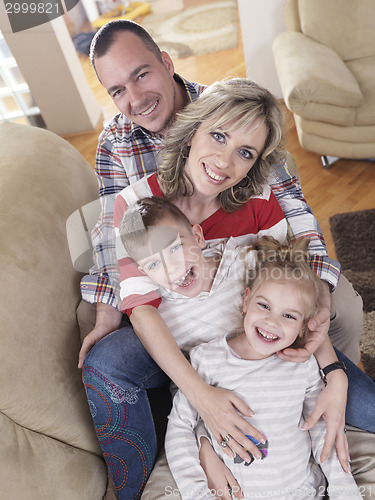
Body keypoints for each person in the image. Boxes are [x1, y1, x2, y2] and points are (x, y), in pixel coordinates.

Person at [78, 19, 363, 498]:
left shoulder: (235, 117)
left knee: (344, 315)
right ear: (190, 137)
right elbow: (117, 243)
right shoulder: (122, 163)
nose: (136, 97)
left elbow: (291, 223)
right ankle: (130, 485)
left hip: (260, 311)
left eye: (142, 75)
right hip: (187, 316)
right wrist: (112, 312)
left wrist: (329, 370)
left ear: (167, 64)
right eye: (118, 90)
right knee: (107, 358)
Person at [119, 199, 373, 499]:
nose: (172, 266)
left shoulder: (245, 262)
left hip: (289, 354)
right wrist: (202, 449)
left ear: (198, 237)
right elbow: (183, 415)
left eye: (175, 247)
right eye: (154, 263)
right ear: (142, 272)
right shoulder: (162, 316)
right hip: (219, 385)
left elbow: (296, 296)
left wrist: (333, 372)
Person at [164, 236, 363, 500]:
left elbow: (321, 429)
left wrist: (344, 491)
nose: (271, 321)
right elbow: (179, 427)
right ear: (246, 300)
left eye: (289, 315)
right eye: (264, 305)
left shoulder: (302, 366)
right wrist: (198, 493)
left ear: (305, 326)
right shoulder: (207, 359)